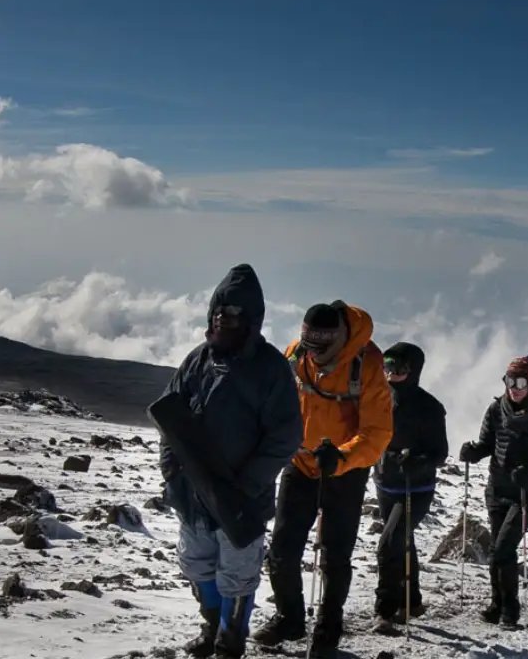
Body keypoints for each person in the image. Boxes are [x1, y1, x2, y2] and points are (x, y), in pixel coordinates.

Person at [157, 265, 303, 658]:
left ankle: (229, 640)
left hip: (241, 498)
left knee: (237, 574)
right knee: (196, 564)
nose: (224, 317)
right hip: (193, 492)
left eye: (234, 311)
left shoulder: (270, 369)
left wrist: (246, 485)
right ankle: (212, 626)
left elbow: (285, 436)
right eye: (219, 310)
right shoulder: (197, 360)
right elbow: (170, 416)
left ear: (252, 319)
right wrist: (171, 469)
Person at [253, 301, 395, 658]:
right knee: (282, 549)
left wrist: (342, 456)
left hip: (344, 472)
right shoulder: (295, 354)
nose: (313, 354)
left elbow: (377, 433)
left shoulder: (368, 363)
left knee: (334, 555)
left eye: (321, 347)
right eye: (308, 344)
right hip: (300, 463)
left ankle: (328, 629)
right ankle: (290, 617)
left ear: (339, 339)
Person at [457, 355, 528, 628]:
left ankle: (510, 610)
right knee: (497, 551)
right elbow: (488, 443)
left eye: (521, 381)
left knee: (503, 549)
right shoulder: (496, 409)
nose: (514, 387)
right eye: (510, 380)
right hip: (497, 489)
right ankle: (497, 603)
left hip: (525, 494)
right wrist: (473, 452)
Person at [371, 341, 448, 632]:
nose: (391, 373)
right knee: (404, 541)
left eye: (398, 367)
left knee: (388, 543)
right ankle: (412, 600)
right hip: (385, 485)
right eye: (387, 365)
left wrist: (417, 461)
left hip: (415, 489)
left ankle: (385, 611)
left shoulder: (430, 407)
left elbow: (440, 453)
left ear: (413, 370)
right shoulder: (378, 398)